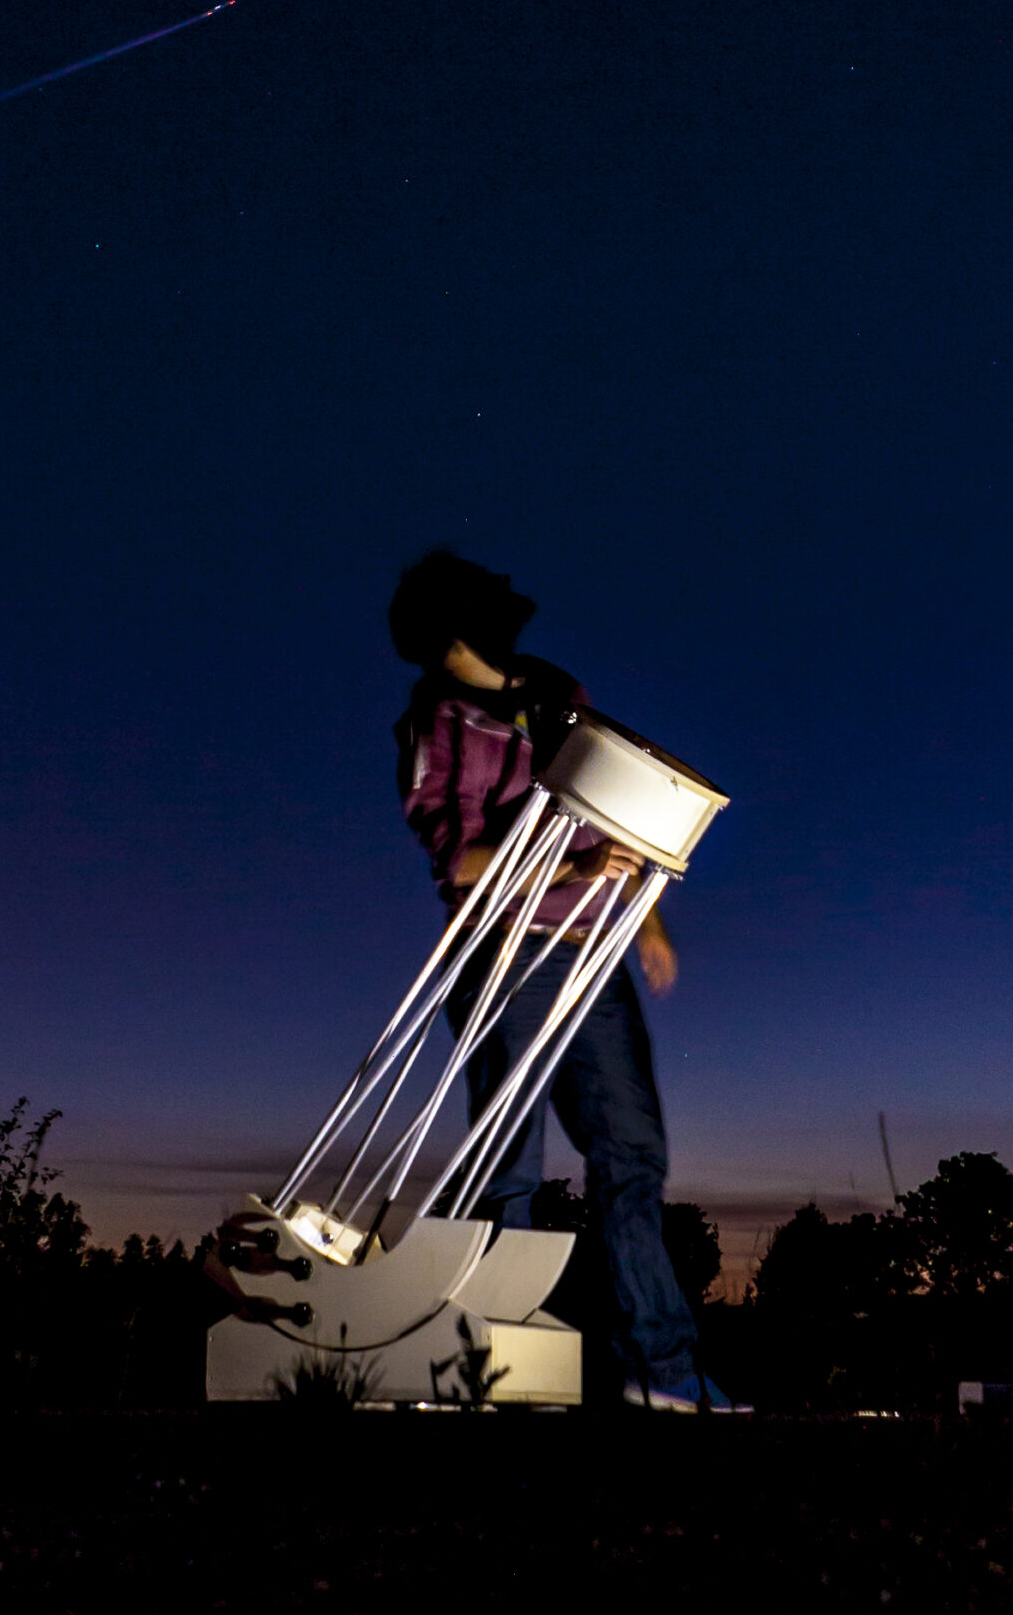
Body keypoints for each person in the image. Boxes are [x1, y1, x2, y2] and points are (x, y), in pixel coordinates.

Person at [389, 547, 716, 1411]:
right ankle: (491, 1367)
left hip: (585, 952)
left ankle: (665, 1374)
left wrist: (642, 916)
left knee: (633, 1153)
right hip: (503, 951)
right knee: (507, 1163)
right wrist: (571, 870)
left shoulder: (554, 696)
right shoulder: (439, 722)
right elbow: (460, 860)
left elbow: (615, 805)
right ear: (452, 627)